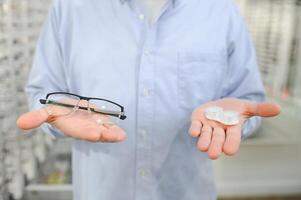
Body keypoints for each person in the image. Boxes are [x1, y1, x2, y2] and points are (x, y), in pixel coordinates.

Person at [16, 0, 281, 199]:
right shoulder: (70, 7)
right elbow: (42, 93)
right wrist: (59, 113)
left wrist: (233, 118)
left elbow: (248, 100)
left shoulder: (221, 11)